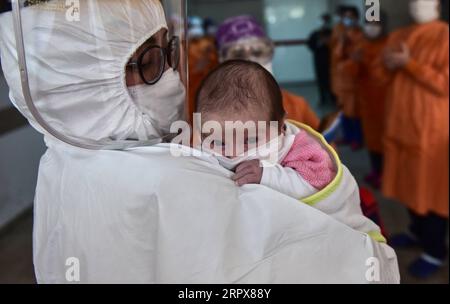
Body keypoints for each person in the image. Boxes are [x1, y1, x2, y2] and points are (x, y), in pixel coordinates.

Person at [0, 0, 400, 283]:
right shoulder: (174, 180)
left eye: (170, 52)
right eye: (156, 60)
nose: (173, 74)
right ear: (93, 80)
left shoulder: (61, 166)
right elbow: (363, 268)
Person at [195, 60, 391, 242]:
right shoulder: (201, 148)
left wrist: (268, 175)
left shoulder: (300, 149)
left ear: (281, 126)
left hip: (327, 233)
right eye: (218, 141)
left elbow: (318, 182)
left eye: (251, 139)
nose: (233, 152)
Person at [372, 0, 449, 278]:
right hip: (399, 131)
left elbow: (444, 84)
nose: (418, 4)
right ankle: (417, 233)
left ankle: (435, 250)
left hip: (431, 133)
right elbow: (378, 77)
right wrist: (389, 66)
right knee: (406, 188)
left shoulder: (444, 36)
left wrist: (410, 64)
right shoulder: (397, 36)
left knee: (431, 192)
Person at [215, 15, 321, 131]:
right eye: (238, 55)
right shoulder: (210, 115)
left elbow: (326, 146)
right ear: (222, 60)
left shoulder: (296, 105)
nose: (252, 63)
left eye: (258, 52)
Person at [343, 15, 389, 188]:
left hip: (388, 104)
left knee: (386, 141)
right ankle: (376, 171)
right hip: (367, 104)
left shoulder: (390, 44)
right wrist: (354, 60)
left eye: (376, 24)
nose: (372, 28)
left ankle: (386, 174)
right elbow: (349, 72)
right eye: (369, 24)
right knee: (372, 140)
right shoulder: (361, 46)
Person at [332, 6, 364, 150]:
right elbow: (336, 56)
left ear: (357, 18)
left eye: (351, 17)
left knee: (355, 112)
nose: (348, 20)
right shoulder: (342, 35)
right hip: (341, 82)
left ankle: (357, 139)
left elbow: (358, 57)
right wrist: (343, 41)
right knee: (343, 110)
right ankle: (347, 136)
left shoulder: (361, 35)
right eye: (346, 17)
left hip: (355, 82)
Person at [307, 14, 334, 106]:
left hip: (332, 61)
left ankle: (333, 98)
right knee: (320, 80)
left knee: (332, 80)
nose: (324, 23)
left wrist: (329, 43)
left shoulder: (333, 32)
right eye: (322, 20)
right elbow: (310, 45)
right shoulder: (315, 33)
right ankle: (322, 99)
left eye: (326, 21)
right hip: (319, 60)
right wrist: (320, 43)